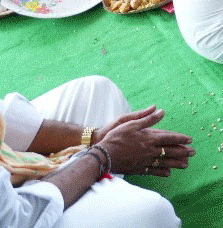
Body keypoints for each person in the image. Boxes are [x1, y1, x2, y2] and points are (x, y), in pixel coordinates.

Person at [0, 69, 194, 228]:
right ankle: (95, 188)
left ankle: (90, 187)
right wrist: (101, 157)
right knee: (154, 214)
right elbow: (19, 219)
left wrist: (94, 137)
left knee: (99, 93)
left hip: (8, 172)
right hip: (21, 217)